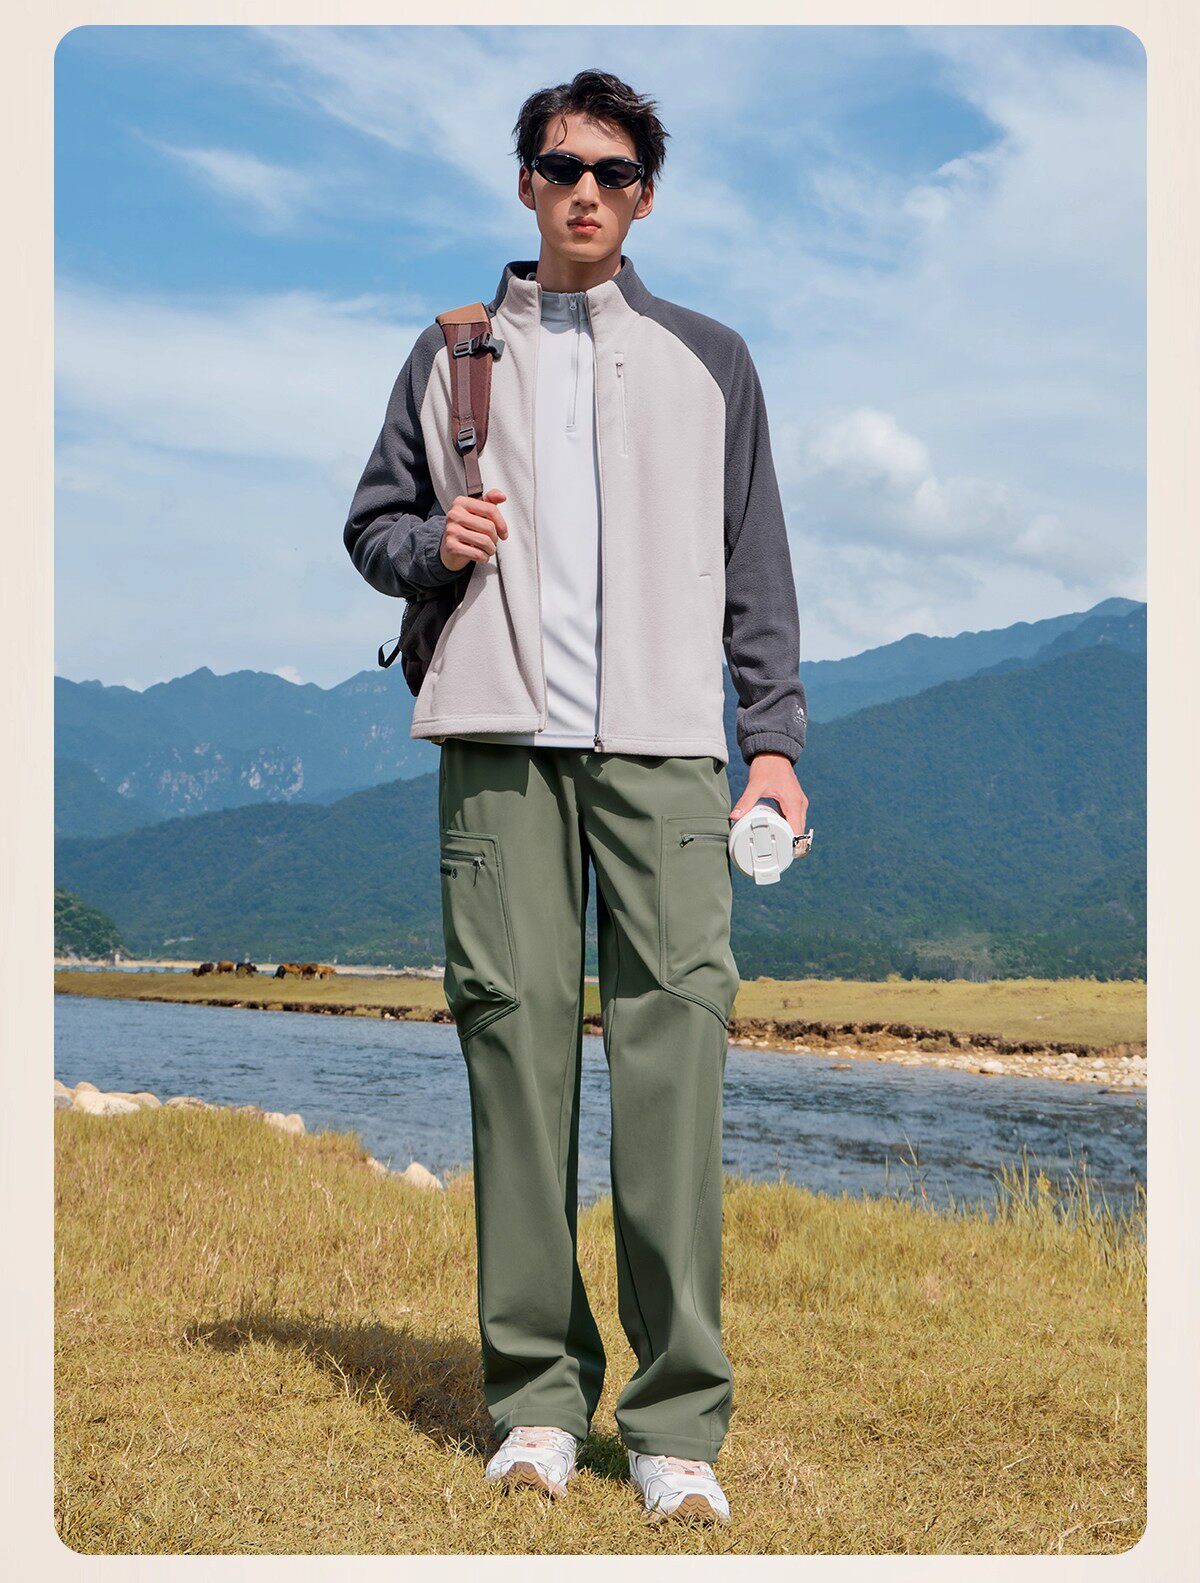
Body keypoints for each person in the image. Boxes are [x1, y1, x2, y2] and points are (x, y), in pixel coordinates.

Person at [343, 68, 808, 1527]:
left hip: (666, 750)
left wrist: (774, 740)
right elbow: (373, 525)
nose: (584, 190)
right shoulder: (451, 355)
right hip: (498, 744)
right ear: (526, 184)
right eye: (560, 166)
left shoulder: (711, 361)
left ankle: (674, 1424)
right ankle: (539, 1403)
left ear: (645, 196)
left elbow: (756, 567)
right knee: (516, 1065)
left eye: (612, 170)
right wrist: (437, 542)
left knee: (675, 1067)